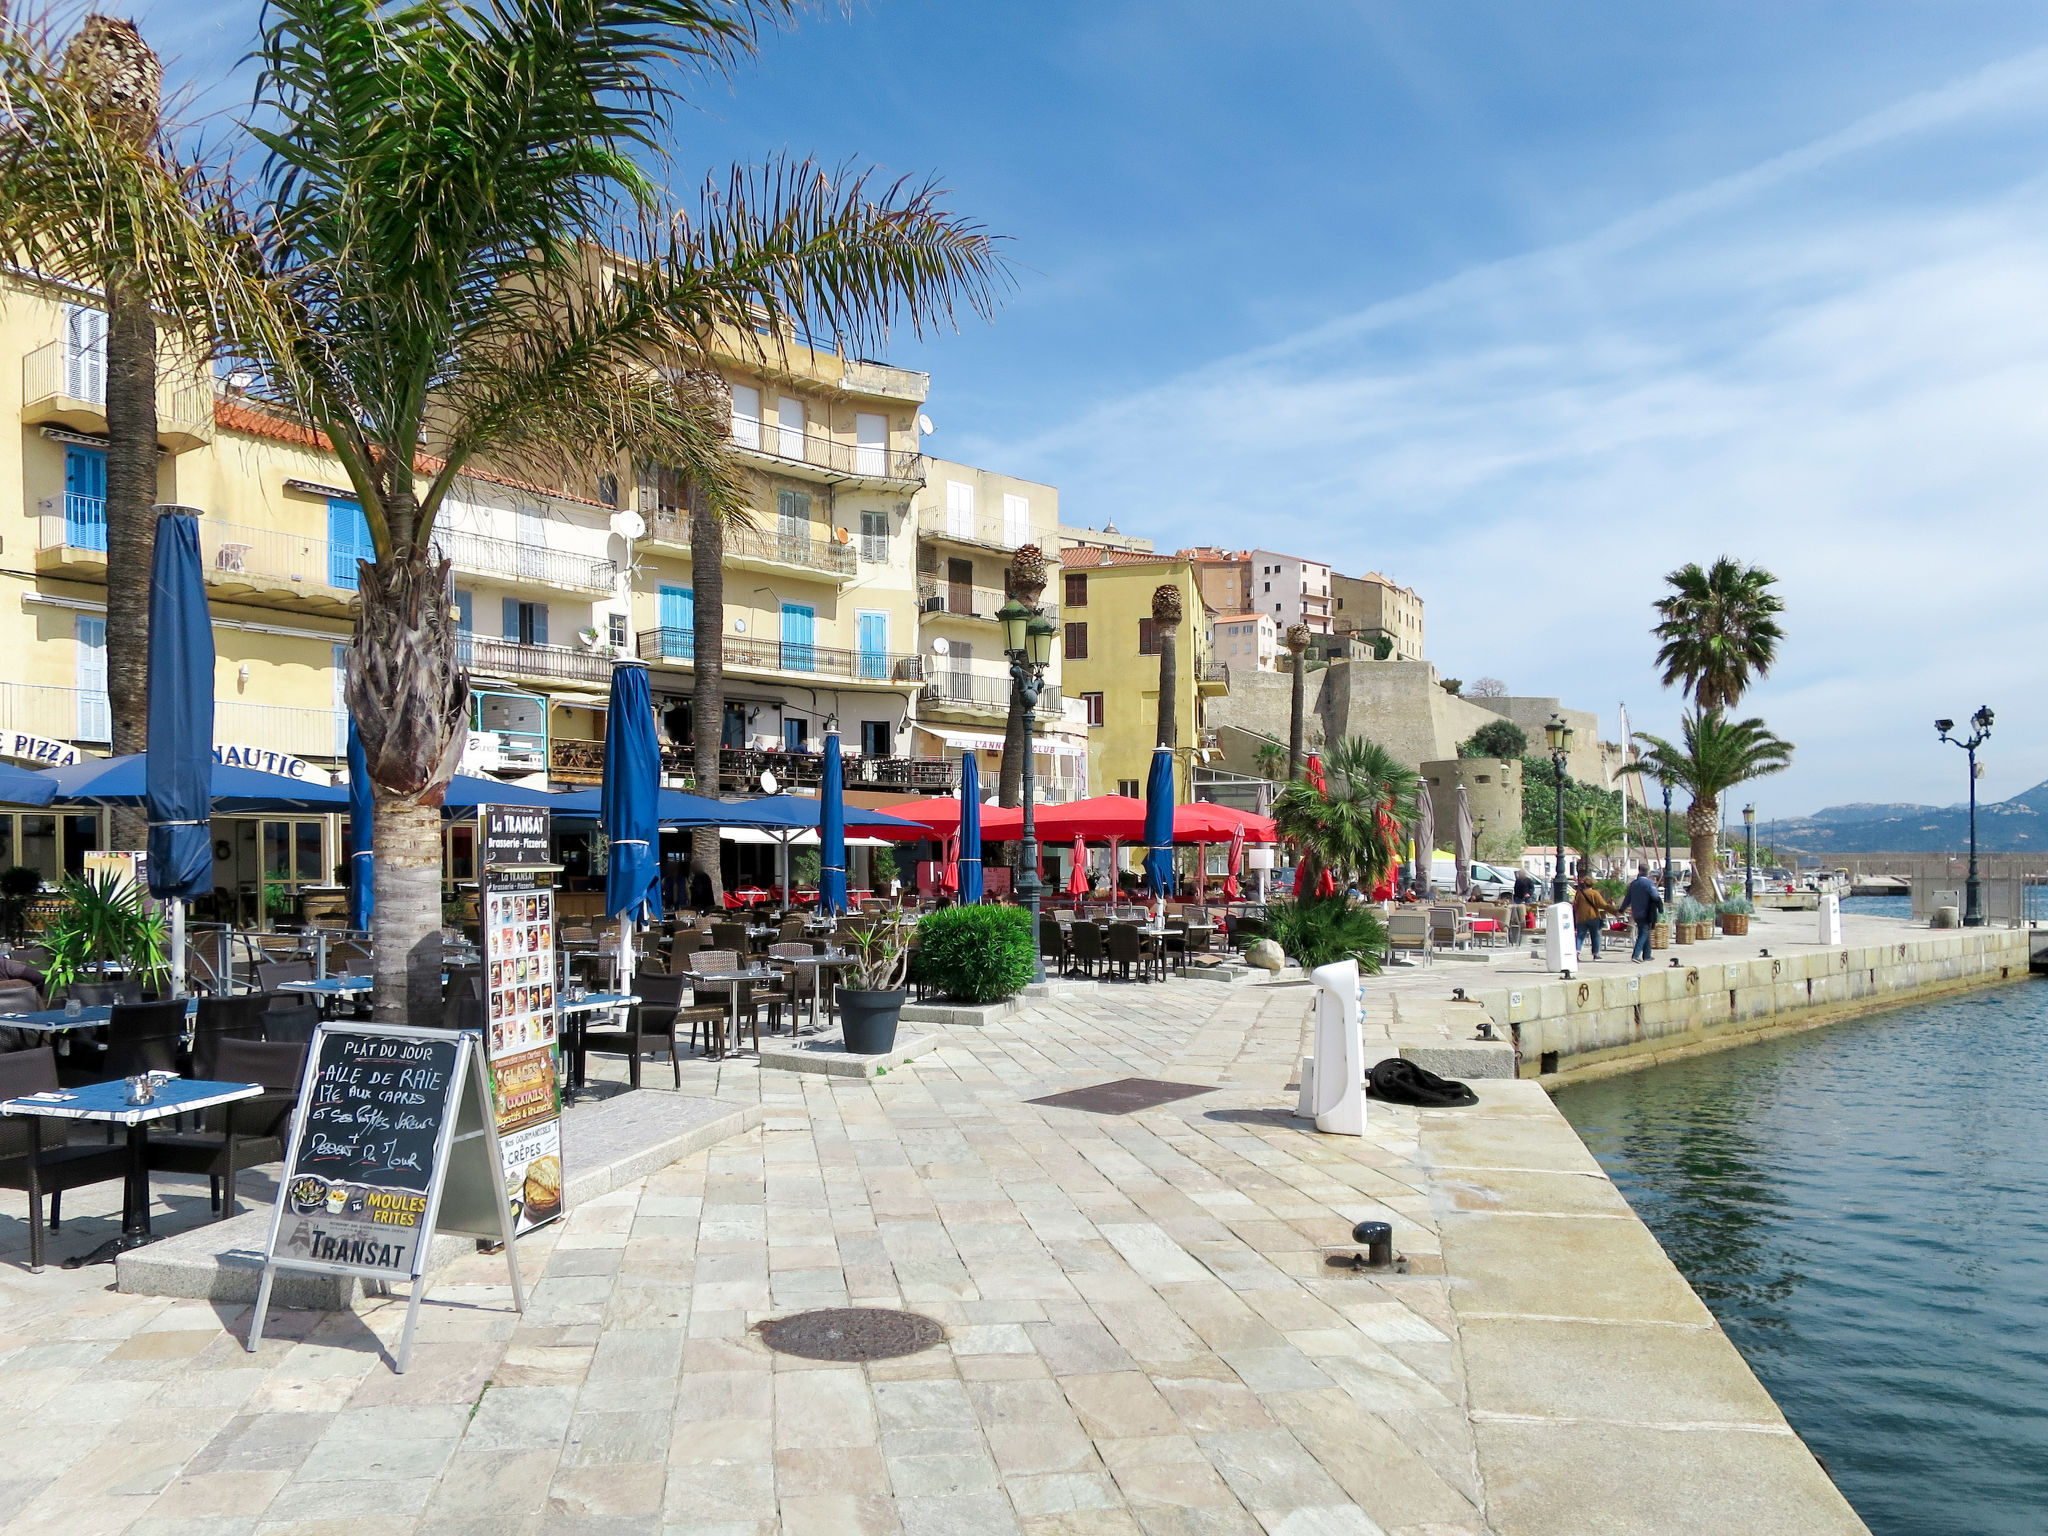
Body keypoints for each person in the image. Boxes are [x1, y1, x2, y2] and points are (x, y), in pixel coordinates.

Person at [1621, 862, 1663, 962]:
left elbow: (1627, 899)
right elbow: (1655, 897)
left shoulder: (1633, 884)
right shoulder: (1649, 883)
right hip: (1647, 912)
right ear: (1648, 872)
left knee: (1645, 931)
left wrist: (1621, 909)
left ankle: (1647, 955)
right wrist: (1660, 908)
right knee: (1643, 933)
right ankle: (1635, 955)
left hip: (1636, 913)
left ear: (1639, 871)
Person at [1572, 873, 1618, 959]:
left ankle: (1576, 953)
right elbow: (1603, 905)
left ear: (1584, 884)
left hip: (1581, 918)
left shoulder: (1579, 894)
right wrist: (1614, 911)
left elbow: (1575, 905)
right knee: (1595, 935)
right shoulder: (1595, 893)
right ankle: (1595, 954)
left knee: (1580, 936)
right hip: (1593, 917)